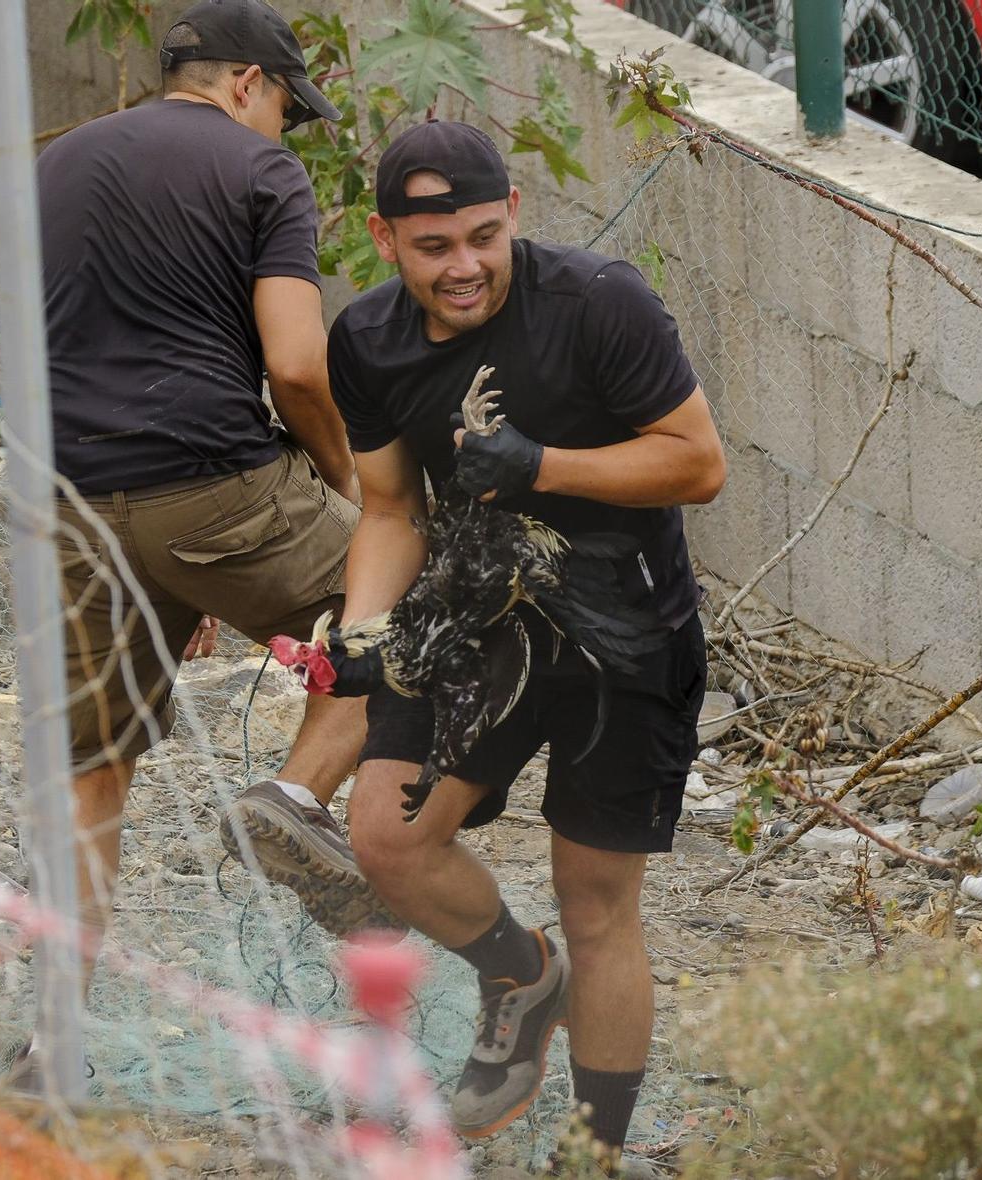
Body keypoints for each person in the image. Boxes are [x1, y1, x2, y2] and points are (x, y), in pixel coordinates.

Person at [318, 120, 726, 1169]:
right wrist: (361, 628)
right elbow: (388, 509)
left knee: (596, 906)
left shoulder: (599, 304)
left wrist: (541, 462)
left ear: (512, 219)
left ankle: (592, 1152)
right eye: (433, 247)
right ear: (382, 239)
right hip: (471, 619)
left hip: (622, 639)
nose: (463, 267)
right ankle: (515, 972)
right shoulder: (364, 340)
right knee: (385, 835)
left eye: (481, 238)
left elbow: (695, 463)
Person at [34, 0, 395, 998]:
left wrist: (158, 574)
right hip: (216, 487)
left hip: (67, 499)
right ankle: (289, 798)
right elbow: (295, 365)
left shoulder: (54, 165)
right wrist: (344, 484)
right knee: (419, 610)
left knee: (91, 763)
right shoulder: (258, 169)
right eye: (286, 105)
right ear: (247, 84)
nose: (286, 130)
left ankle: (53, 1030)